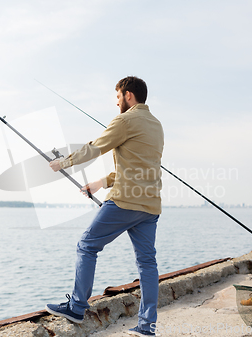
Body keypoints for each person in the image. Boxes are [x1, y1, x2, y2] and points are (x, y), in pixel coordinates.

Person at [45, 76, 164, 336]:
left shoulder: (125, 120)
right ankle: (147, 325)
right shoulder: (156, 125)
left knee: (87, 245)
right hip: (150, 205)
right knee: (147, 263)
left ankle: (76, 307)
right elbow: (142, 167)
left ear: (128, 95)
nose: (117, 102)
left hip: (125, 201)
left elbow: (95, 148)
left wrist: (62, 163)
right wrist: (101, 182)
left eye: (118, 96)